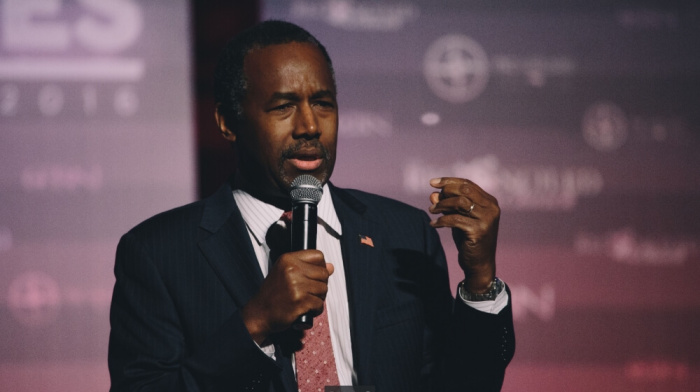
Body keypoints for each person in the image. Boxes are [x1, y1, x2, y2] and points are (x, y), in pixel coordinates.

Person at [108, 20, 514, 392]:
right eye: (283, 107)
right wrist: (255, 325)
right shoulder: (158, 254)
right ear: (228, 122)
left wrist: (480, 280)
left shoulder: (404, 234)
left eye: (323, 103)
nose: (309, 126)